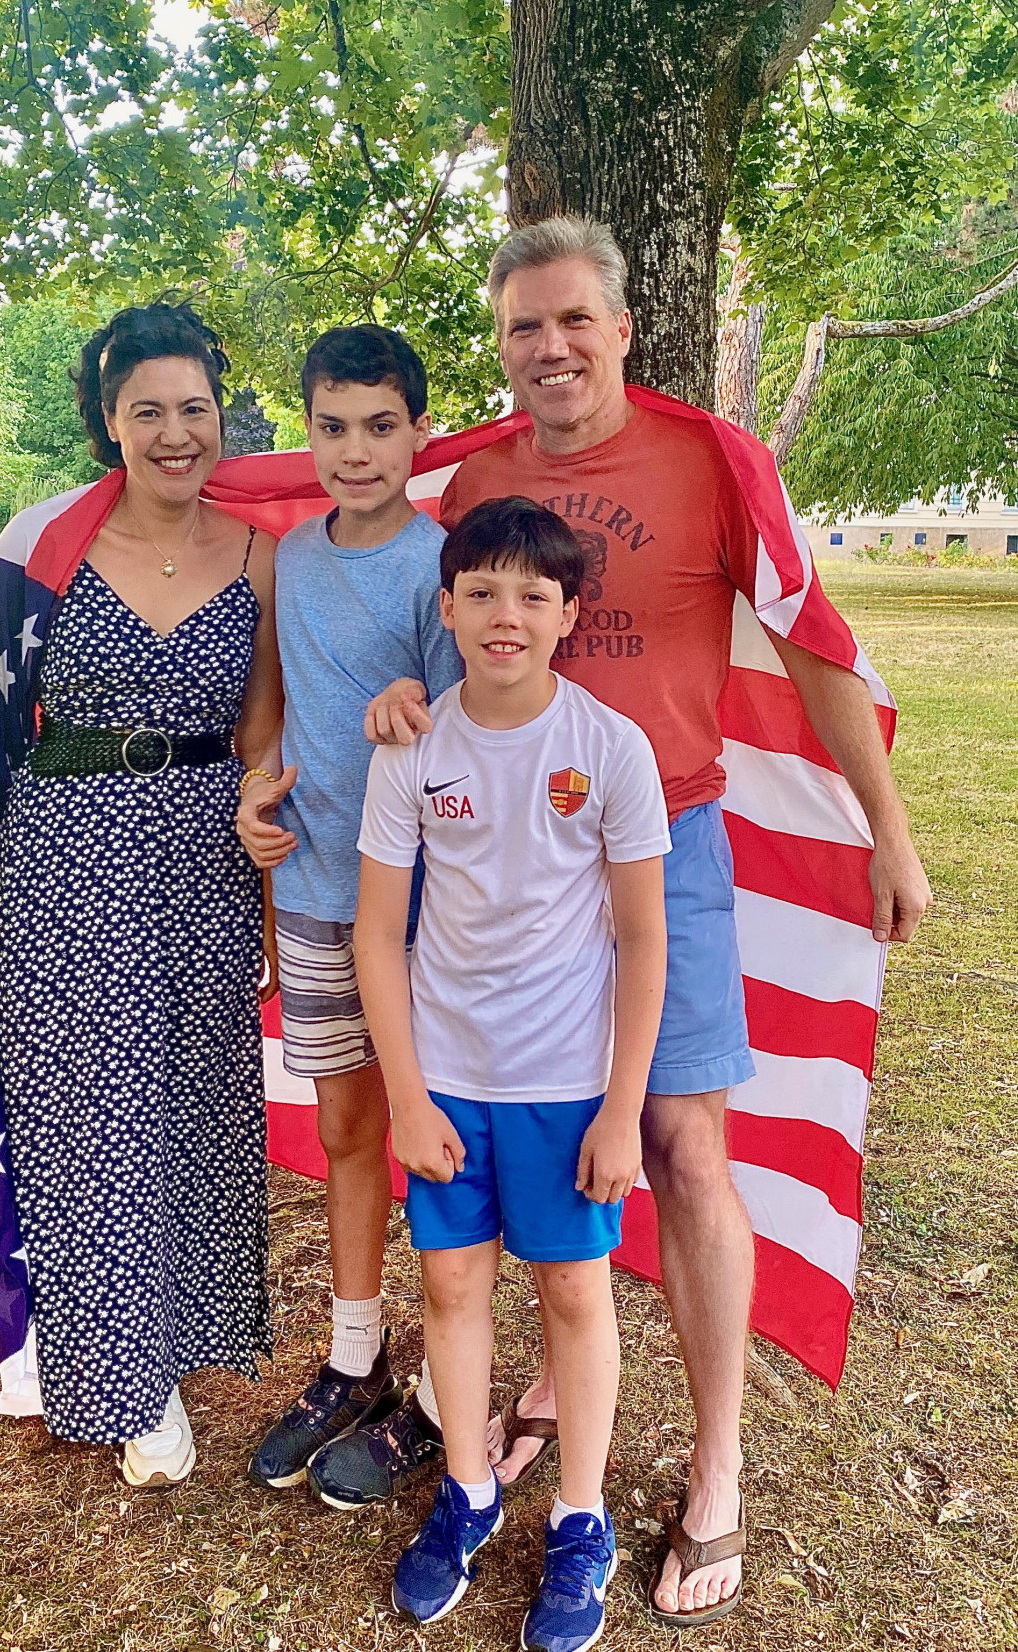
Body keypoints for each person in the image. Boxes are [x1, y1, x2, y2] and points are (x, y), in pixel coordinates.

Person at [326, 216, 932, 1625]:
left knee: (679, 1143)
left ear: (621, 328)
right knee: (528, 1119)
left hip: (668, 846)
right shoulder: (476, 475)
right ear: (502, 344)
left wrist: (886, 824)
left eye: (572, 320)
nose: (549, 348)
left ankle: (716, 1463)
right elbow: (403, 593)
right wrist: (392, 699)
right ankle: (546, 1387)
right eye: (522, 327)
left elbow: (811, 641)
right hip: (506, 867)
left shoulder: (710, 460)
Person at [0, 303, 284, 1487]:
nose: (174, 431)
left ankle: (172, 1336)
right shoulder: (45, 545)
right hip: (71, 852)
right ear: (110, 420)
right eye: (146, 409)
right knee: (93, 1111)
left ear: (219, 416)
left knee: (194, 1105)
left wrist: (267, 885)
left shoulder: (259, 554)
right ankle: (126, 1383)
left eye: (193, 407)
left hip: (206, 855)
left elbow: (261, 730)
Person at [355, 496, 669, 1647]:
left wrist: (623, 1110)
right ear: (446, 607)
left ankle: (582, 1519)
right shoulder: (412, 746)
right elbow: (376, 933)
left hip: (569, 1085)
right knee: (450, 1287)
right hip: (448, 1079)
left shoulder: (610, 747)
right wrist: (407, 1094)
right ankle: (469, 1490)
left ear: (568, 613)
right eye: (481, 591)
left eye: (534, 595)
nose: (507, 614)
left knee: (574, 1291)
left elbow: (645, 936)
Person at [236, 324, 463, 1491]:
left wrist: (419, 698)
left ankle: (448, 1385)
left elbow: (479, 731)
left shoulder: (443, 564)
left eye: (381, 426)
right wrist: (254, 793)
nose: (356, 450)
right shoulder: (292, 557)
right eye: (332, 427)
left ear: (421, 432)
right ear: (309, 432)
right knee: (345, 1128)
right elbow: (270, 709)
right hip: (318, 893)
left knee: (444, 1142)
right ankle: (355, 1354)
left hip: (428, 912)